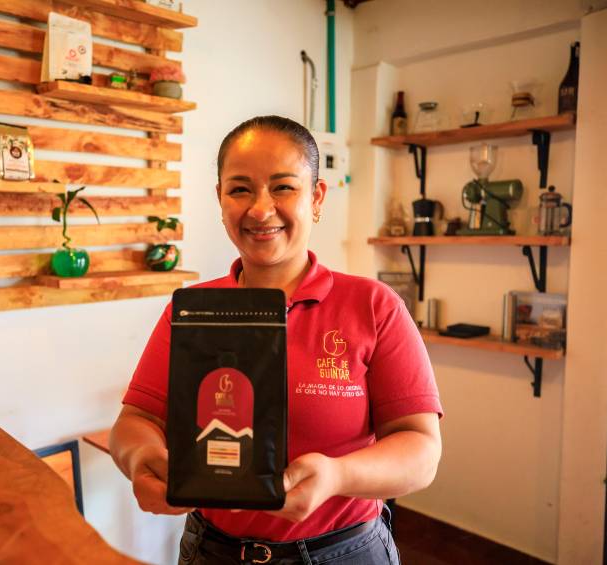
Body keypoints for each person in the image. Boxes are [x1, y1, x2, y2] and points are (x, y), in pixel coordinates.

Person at [110, 116, 443, 564]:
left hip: (343, 552)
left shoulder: (373, 306)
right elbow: (135, 420)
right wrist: (142, 458)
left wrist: (337, 475)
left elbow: (421, 451)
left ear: (316, 197)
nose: (260, 209)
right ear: (220, 199)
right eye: (240, 189)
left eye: (283, 187)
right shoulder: (191, 310)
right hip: (214, 551)